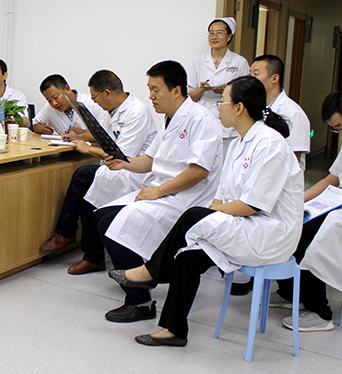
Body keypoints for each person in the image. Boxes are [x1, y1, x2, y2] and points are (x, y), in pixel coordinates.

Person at [111, 76, 303, 347]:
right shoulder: (237, 143)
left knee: (193, 215)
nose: (218, 108)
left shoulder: (270, 143)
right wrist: (215, 211)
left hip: (269, 234)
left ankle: (151, 272)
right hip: (243, 224)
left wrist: (212, 213)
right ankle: (173, 330)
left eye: (222, 102)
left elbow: (252, 205)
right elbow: (223, 195)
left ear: (239, 108)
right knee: (187, 256)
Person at [93, 60, 223, 323]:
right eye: (149, 89)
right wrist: (123, 163)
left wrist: (159, 191)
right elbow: (150, 161)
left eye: (156, 90)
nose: (151, 96)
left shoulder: (201, 120)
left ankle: (140, 299)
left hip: (187, 198)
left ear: (176, 90)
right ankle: (145, 279)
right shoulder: (169, 119)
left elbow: (199, 171)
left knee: (111, 224)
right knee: (101, 216)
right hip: (163, 191)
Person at [271, 91, 342, 332]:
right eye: (337, 130)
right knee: (294, 220)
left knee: (309, 234)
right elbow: (332, 179)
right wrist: (298, 200)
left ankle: (319, 312)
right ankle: (291, 291)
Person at [39, 70, 157, 276]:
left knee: (84, 176)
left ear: (107, 93)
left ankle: (73, 240)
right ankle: (90, 254)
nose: (95, 102)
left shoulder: (136, 112)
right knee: (88, 190)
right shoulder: (113, 111)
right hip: (115, 169)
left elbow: (122, 156)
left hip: (134, 174)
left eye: (95, 98)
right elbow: (104, 139)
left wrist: (87, 149)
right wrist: (81, 136)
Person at [187, 17, 250, 152]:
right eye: (211, 33)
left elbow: (247, 94)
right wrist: (201, 90)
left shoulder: (240, 62)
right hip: (204, 121)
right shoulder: (198, 62)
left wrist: (228, 91)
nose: (214, 37)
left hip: (230, 127)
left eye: (219, 33)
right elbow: (189, 98)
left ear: (229, 36)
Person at [250, 54, 311, 170]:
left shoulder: (293, 113)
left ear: (274, 78)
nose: (250, 79)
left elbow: (294, 158)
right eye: (250, 74)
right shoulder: (253, 106)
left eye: (256, 74)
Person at [31, 74, 109, 137]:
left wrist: (79, 134)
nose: (54, 103)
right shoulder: (50, 108)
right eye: (49, 100)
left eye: (56, 97)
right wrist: (42, 129)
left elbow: (106, 133)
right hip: (65, 150)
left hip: (92, 150)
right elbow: (35, 124)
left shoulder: (92, 104)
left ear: (67, 88)